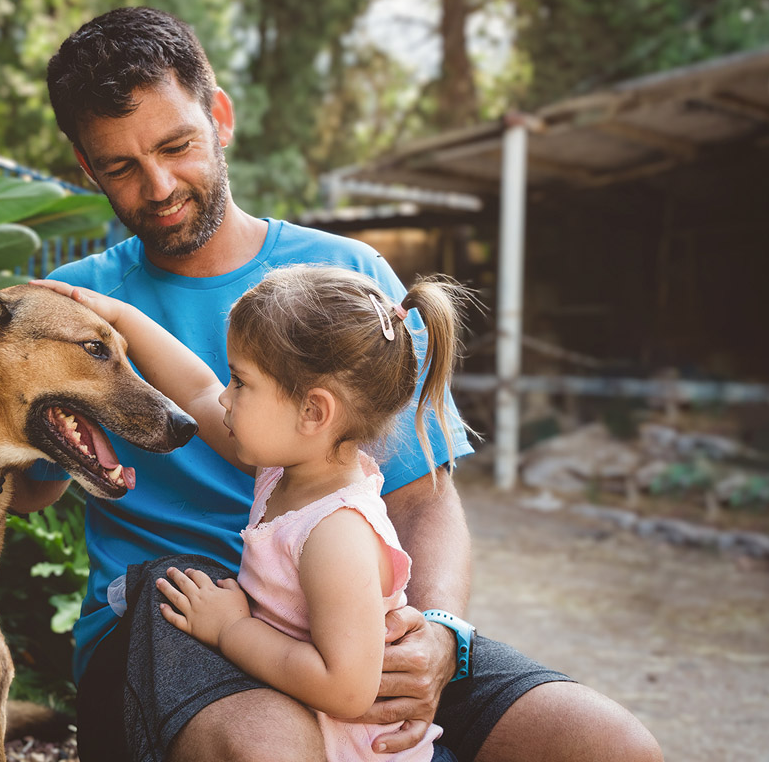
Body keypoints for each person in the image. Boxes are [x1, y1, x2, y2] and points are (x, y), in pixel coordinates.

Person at [0, 6, 662, 762]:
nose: (159, 186)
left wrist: (433, 635)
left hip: (348, 619)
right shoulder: (74, 307)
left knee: (607, 744)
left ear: (220, 116)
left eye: (175, 146)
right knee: (272, 749)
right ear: (84, 167)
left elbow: (425, 501)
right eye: (120, 166)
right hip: (174, 611)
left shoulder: (348, 277)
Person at [34, 264, 471, 762]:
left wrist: (232, 631)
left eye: (241, 382)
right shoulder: (287, 470)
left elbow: (347, 689)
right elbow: (196, 388)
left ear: (313, 412)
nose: (224, 394)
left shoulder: (336, 533)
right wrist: (118, 317)